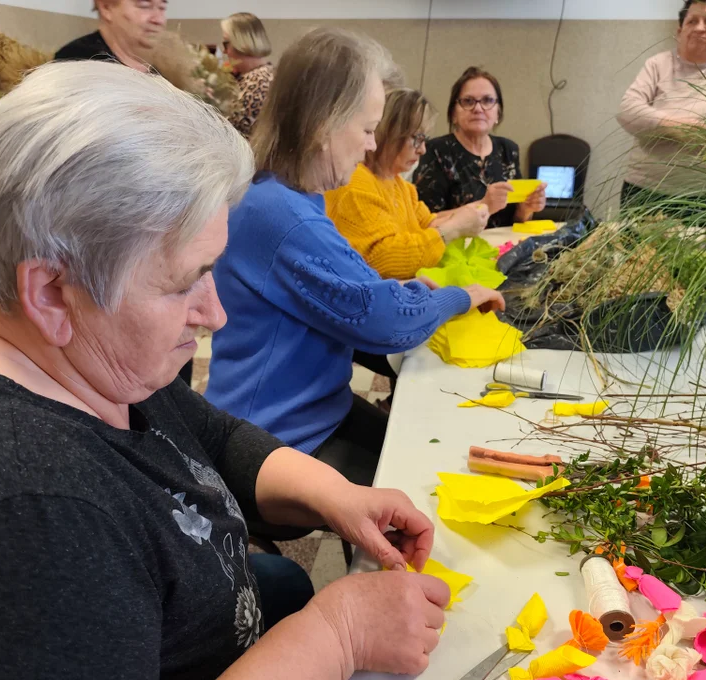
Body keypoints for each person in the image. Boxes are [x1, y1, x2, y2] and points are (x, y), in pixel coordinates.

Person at [0, 61, 452, 680]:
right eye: (183, 281)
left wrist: (337, 496)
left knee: (285, 580)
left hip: (209, 616)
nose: (214, 314)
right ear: (50, 291)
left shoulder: (73, 355)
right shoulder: (24, 520)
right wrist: (336, 637)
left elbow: (209, 435)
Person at [205, 30, 505, 489]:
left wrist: (419, 292)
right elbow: (384, 319)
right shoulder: (284, 216)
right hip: (273, 437)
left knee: (417, 443)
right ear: (324, 125)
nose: (371, 146)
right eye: (367, 130)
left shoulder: (291, 197)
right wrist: (457, 298)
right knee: (419, 486)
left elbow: (360, 286)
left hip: (311, 412)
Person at [325, 87, 490, 280]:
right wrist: (453, 228)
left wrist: (465, 218)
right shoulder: (356, 183)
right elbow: (384, 260)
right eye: (417, 138)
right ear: (390, 133)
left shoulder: (399, 185)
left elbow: (428, 224)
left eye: (424, 139)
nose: (422, 150)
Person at [617, 0, 706, 216]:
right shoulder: (657, 64)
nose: (699, 27)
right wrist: (684, 127)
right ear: (680, 29)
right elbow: (628, 111)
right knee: (632, 251)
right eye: (692, 21)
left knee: (702, 251)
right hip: (643, 189)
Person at [413, 66, 546, 228]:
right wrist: (484, 205)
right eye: (468, 101)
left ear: (498, 113)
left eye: (487, 101)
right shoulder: (435, 151)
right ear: (453, 114)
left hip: (505, 248)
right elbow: (423, 221)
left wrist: (526, 209)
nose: (478, 108)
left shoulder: (508, 150)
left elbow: (515, 222)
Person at [55, 0, 166, 71]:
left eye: (162, 8)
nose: (159, 20)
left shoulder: (162, 68)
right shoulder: (77, 61)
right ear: (106, 8)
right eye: (144, 6)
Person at [222, 12, 275, 139]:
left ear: (241, 43)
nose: (224, 51)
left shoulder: (258, 82)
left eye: (226, 44)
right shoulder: (262, 74)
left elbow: (232, 131)